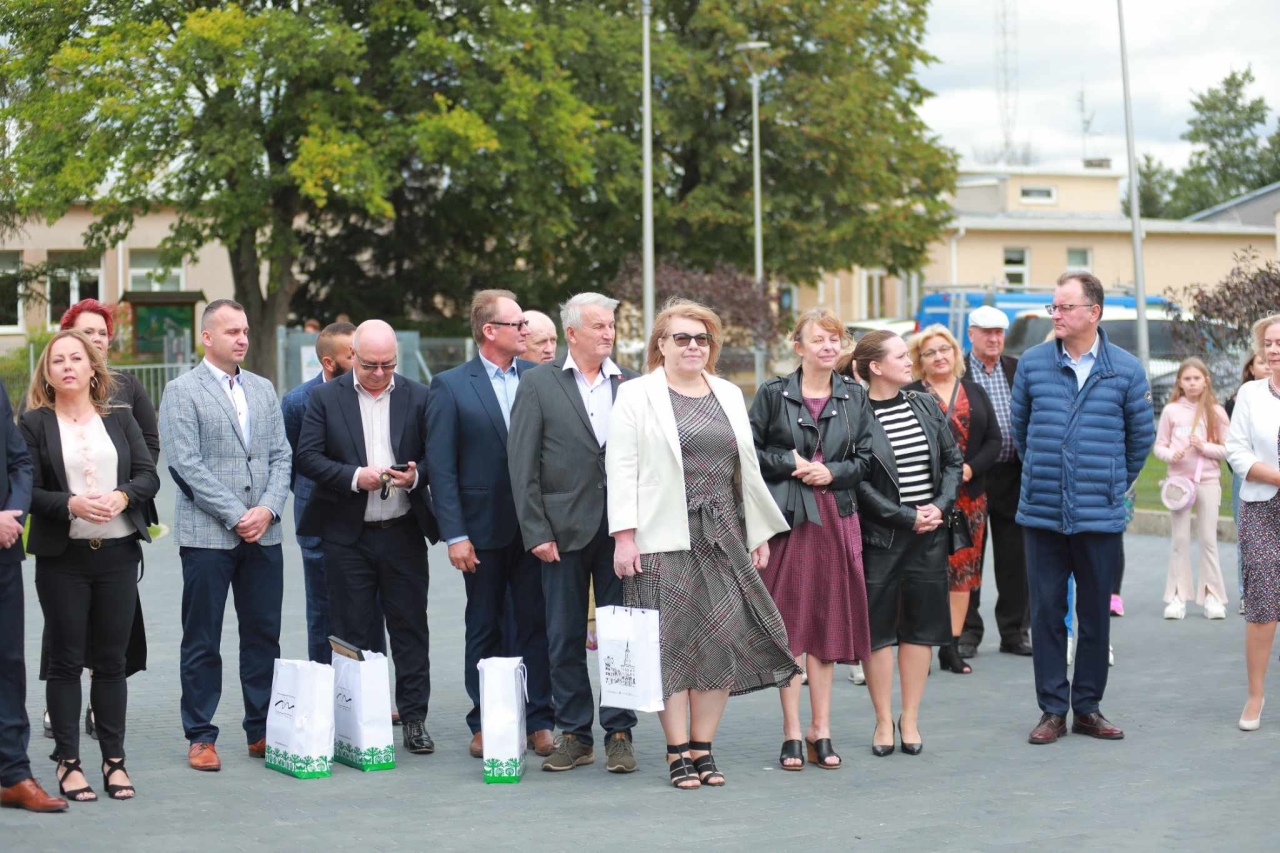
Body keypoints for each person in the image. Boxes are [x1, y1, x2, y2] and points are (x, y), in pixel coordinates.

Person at [610, 299, 799, 789]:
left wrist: (756, 532)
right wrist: (624, 539)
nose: (693, 346)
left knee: (718, 641)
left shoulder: (730, 394)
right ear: (661, 344)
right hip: (659, 536)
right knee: (668, 646)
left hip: (723, 535)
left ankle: (703, 748)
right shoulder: (635, 395)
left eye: (702, 339)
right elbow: (621, 469)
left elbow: (747, 472)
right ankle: (676, 752)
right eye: (682, 338)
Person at [1012, 272, 1154, 745]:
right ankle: (1052, 710)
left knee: (1094, 614)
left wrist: (1111, 481)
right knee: (1047, 612)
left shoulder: (1126, 369)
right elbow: (1022, 431)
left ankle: (1087, 707)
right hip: (1043, 511)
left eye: (1063, 307)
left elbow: (1141, 439)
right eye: (1053, 307)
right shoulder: (1032, 364)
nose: (1055, 314)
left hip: (1100, 513)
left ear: (1093, 312)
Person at [20, 331, 159, 802]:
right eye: (57, 360)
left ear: (93, 368)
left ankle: (114, 761)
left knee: (111, 663)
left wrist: (123, 496)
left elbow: (148, 475)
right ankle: (68, 762)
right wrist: (71, 504)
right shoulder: (34, 424)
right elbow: (28, 489)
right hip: (64, 560)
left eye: (75, 358)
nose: (66, 366)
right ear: (48, 373)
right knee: (64, 662)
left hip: (118, 555)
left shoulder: (118, 419)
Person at [508, 292, 640, 774]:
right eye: (599, 326)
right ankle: (576, 734)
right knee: (563, 636)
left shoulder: (631, 384)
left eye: (611, 325)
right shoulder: (539, 385)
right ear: (572, 333)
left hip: (622, 531)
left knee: (621, 636)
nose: (608, 333)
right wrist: (536, 531)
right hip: (560, 533)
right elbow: (521, 465)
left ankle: (620, 732)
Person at [158, 299, 293, 771]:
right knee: (202, 639)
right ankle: (200, 736)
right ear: (206, 337)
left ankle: (261, 730)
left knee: (263, 637)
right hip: (208, 537)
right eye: (232, 331)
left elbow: (281, 456)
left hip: (265, 536)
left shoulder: (262, 388)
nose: (242, 339)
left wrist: (269, 509)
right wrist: (238, 515)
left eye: (246, 331)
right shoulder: (181, 391)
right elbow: (184, 465)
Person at [295, 320, 440, 756]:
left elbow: (437, 455)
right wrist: (356, 477)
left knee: (411, 629)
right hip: (347, 535)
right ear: (351, 357)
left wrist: (415, 476)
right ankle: (357, 722)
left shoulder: (417, 395)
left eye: (388, 365)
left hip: (402, 532)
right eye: (371, 365)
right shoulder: (323, 398)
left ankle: (414, 719)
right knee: (351, 631)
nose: (380, 374)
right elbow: (307, 457)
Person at [426, 290, 554, 759]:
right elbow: (441, 467)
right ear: (489, 331)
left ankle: (541, 720)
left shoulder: (541, 379)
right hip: (480, 531)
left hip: (535, 529)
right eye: (517, 324)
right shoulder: (451, 385)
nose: (526, 331)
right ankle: (484, 722)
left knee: (536, 624)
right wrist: (455, 534)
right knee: (484, 627)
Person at [750, 308, 873, 770]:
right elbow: (750, 452)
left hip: (837, 517)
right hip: (789, 519)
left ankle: (821, 727)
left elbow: (867, 460)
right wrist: (791, 464)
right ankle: (790, 731)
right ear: (798, 347)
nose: (828, 346)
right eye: (818, 339)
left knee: (826, 622)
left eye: (835, 339)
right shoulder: (772, 393)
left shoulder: (853, 396)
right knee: (791, 626)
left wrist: (833, 471)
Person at [843, 331, 962, 757]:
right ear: (876, 367)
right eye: (899, 355)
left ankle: (909, 718)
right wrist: (904, 516)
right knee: (878, 633)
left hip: (929, 535)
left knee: (921, 629)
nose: (909, 361)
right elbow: (854, 479)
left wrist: (939, 506)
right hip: (881, 537)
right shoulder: (852, 413)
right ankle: (881, 720)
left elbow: (952, 460)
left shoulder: (924, 403)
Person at [281, 322, 389, 664]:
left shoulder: (369, 393)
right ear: (329, 363)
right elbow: (295, 463)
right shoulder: (298, 401)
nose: (361, 360)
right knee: (323, 613)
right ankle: (325, 695)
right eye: (352, 354)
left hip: (368, 522)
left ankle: (372, 696)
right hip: (320, 526)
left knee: (372, 612)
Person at [906, 324, 1002, 675]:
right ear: (920, 360)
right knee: (924, 573)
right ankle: (920, 646)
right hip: (925, 498)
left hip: (969, 499)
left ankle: (952, 646)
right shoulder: (910, 394)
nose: (939, 357)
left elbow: (994, 440)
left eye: (944, 349)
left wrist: (970, 470)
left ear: (954, 353)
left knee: (963, 572)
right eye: (930, 352)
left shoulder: (974, 392)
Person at [0, 377, 69, 813]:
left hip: (3, 549)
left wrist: (12, 511)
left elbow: (19, 461)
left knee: (8, 665)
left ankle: (12, 774)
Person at [959, 305, 1031, 657]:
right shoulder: (958, 371)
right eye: (986, 332)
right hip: (972, 475)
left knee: (1015, 558)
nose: (994, 338)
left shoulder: (1017, 369)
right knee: (969, 556)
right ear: (970, 333)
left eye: (999, 332)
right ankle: (967, 631)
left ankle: (1014, 631)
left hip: (1014, 476)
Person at [1226, 314, 1280, 731]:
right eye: (1269, 343)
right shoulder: (1249, 393)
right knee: (1262, 603)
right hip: (1262, 505)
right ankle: (1255, 695)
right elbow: (1237, 451)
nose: (1274, 350)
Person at [1154, 358, 1231, 620]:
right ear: (1179, 382)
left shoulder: (1216, 412)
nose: (1192, 383)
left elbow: (1228, 448)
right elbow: (1159, 446)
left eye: (1197, 378)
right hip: (1178, 483)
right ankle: (1177, 596)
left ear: (1206, 380)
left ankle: (1213, 596)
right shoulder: (1171, 411)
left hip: (1208, 482)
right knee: (1180, 540)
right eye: (1187, 379)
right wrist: (1170, 455)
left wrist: (1204, 448)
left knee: (1208, 540)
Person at [1226, 352, 1270, 614]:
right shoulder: (1241, 398)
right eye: (1262, 359)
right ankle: (1248, 592)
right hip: (1247, 474)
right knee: (1248, 535)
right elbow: (1235, 444)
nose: (1269, 361)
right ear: (1251, 369)